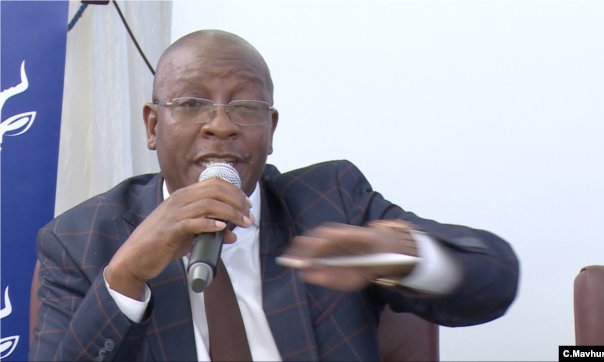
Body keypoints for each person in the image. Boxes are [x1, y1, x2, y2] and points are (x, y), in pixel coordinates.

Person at [29, 30, 519, 361]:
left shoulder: (331, 201)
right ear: (154, 126)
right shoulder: (78, 239)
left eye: (245, 107)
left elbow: (494, 279)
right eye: (193, 103)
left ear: (270, 128)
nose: (220, 125)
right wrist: (127, 274)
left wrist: (403, 254)